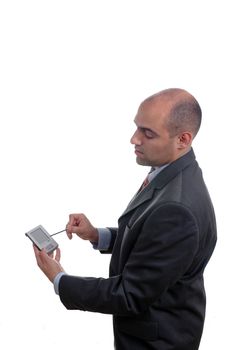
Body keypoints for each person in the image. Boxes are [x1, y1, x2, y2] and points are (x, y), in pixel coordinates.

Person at [33, 88, 217, 350]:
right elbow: (154, 240)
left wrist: (60, 280)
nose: (134, 139)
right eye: (137, 128)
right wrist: (98, 235)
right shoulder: (172, 173)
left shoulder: (177, 209)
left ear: (183, 139)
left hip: (156, 343)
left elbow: (129, 295)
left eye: (148, 133)